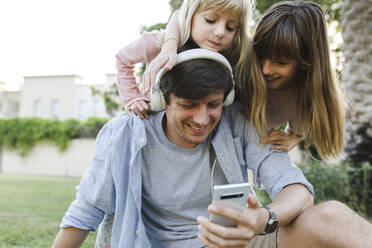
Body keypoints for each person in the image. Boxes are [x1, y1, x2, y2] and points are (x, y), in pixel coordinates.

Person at [52, 50, 372, 248]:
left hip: (231, 243)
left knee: (332, 216)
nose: (203, 119)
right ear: (164, 101)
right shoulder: (125, 134)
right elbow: (87, 210)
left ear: (226, 100)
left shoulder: (236, 123)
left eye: (213, 105)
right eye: (189, 105)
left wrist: (265, 218)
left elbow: (295, 187)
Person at [147, 1, 347, 158]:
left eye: (281, 62)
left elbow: (307, 117)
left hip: (244, 150)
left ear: (306, 64)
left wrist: (294, 136)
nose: (265, 70)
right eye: (261, 55)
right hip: (204, 139)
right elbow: (182, 14)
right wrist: (170, 45)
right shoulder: (245, 54)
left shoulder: (307, 94)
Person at [116, 0, 252, 119]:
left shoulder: (230, 51)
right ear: (190, 15)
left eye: (230, 28)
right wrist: (132, 98)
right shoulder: (158, 43)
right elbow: (123, 58)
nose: (220, 32)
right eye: (210, 20)